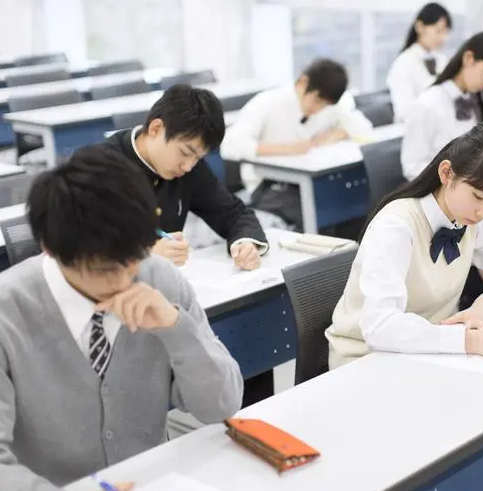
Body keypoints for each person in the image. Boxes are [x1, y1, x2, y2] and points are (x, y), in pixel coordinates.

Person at [0, 145, 243, 490]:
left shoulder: (160, 278)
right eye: (104, 269)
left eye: (134, 258)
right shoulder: (7, 311)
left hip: (157, 478)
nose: (124, 279)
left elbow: (222, 406)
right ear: (50, 249)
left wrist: (176, 329)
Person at [325, 122, 483, 369]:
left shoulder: (471, 220)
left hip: (430, 353)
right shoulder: (395, 226)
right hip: (365, 361)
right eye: (478, 196)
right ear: (447, 173)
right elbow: (380, 328)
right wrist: (468, 341)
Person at [104, 84, 268, 270]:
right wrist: (143, 256)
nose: (188, 166)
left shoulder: (189, 167)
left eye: (198, 157)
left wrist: (244, 243)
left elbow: (233, 214)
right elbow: (79, 249)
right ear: (156, 129)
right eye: (184, 152)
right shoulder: (99, 165)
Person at [220, 58, 373, 232]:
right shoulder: (267, 103)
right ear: (303, 82)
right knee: (319, 210)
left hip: (313, 179)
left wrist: (331, 136)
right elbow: (230, 146)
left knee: (354, 201)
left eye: (325, 105)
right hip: (270, 185)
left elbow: (364, 130)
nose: (319, 109)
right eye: (317, 101)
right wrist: (287, 149)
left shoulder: (331, 103)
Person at [400, 31, 483, 181]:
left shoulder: (480, 104)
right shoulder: (427, 104)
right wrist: (455, 181)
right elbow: (412, 167)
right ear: (468, 59)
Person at [386, 2, 452, 122]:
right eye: (438, 31)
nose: (443, 38)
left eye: (445, 32)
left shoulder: (442, 59)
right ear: (419, 27)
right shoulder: (403, 63)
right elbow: (404, 111)